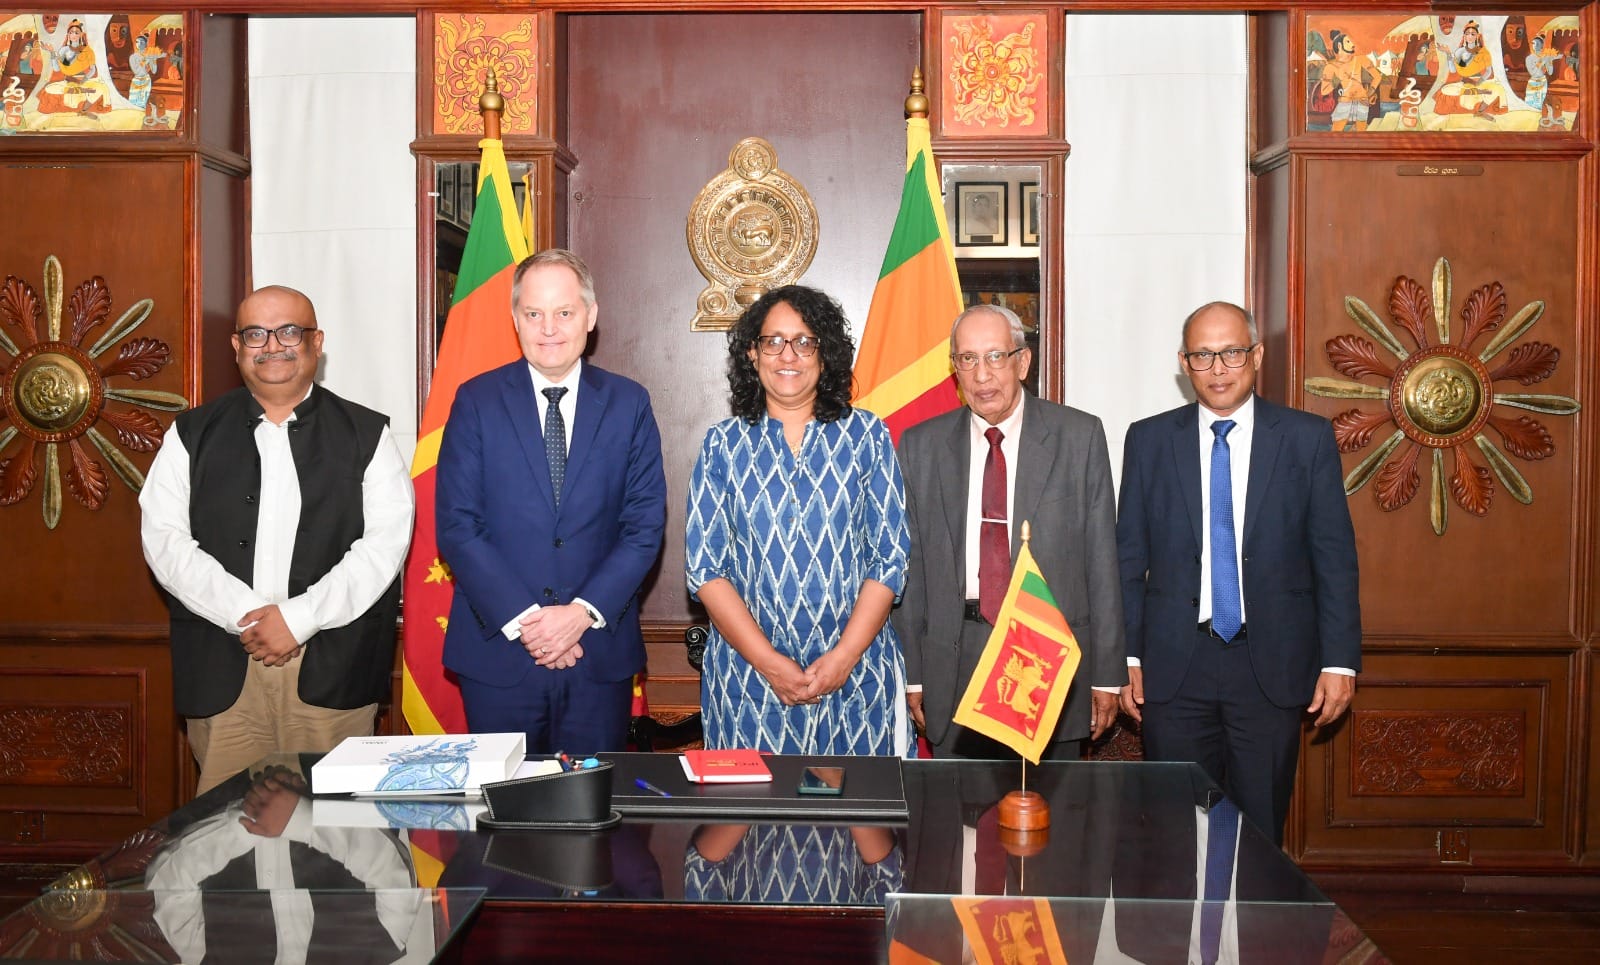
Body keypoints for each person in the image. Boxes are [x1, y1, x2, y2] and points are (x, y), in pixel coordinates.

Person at [140, 286, 415, 794]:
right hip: (223, 666)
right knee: (223, 839)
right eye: (255, 334)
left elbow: (383, 547)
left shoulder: (367, 434)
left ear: (316, 342)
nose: (272, 346)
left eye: (289, 331)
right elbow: (164, 540)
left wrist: (298, 619)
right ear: (236, 345)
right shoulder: (190, 433)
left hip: (332, 665)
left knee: (333, 839)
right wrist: (248, 615)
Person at [1116, 301, 1361, 846]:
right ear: (1184, 363)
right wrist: (1127, 654)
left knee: (1259, 830)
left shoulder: (1306, 439)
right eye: (1203, 355)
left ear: (1256, 355)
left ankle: (1250, 934)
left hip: (1270, 668)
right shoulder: (1149, 441)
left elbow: (1334, 557)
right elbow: (1129, 557)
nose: (1219, 368)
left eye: (1231, 352)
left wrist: (1340, 661)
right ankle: (1188, 934)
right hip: (1175, 670)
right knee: (1175, 833)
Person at [436, 248, 666, 756]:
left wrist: (579, 614)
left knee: (590, 818)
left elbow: (644, 526)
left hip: (596, 655)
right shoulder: (475, 400)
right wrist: (529, 622)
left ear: (590, 316)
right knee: (503, 823)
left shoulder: (629, 404)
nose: (549, 328)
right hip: (499, 656)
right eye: (533, 314)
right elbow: (457, 525)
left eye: (564, 312)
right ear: (515, 319)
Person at [685, 285, 910, 756]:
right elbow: (705, 570)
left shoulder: (867, 435)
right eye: (773, 341)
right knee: (752, 824)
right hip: (749, 685)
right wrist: (770, 664)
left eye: (805, 342)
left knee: (856, 823)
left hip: (857, 679)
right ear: (753, 353)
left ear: (825, 355)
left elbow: (889, 558)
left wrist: (844, 659)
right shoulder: (723, 445)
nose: (788, 355)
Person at [893, 304, 1125, 759]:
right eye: (968, 359)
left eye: (996, 357)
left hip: (1048, 658)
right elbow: (912, 566)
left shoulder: (1078, 437)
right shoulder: (921, 445)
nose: (982, 375)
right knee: (959, 824)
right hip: (955, 656)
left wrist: (1106, 674)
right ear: (954, 368)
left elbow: (1102, 561)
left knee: (1051, 823)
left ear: (1023, 361)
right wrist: (915, 674)